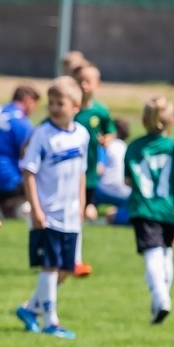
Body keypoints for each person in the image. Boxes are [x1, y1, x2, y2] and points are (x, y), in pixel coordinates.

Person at [15, 76, 89, 340]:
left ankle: (29, 308)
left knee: (66, 269)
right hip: (47, 214)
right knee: (49, 265)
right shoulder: (42, 134)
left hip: (71, 214)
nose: (56, 108)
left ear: (76, 106)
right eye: (52, 103)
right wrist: (36, 209)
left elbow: (82, 172)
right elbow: (29, 172)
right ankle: (51, 321)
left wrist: (82, 204)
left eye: (62, 103)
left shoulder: (82, 135)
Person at [123, 97, 174, 325]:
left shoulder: (134, 147)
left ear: (143, 120)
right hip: (171, 208)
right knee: (166, 251)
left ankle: (160, 297)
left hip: (145, 207)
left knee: (152, 253)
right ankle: (160, 301)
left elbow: (128, 181)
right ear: (171, 121)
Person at [72, 62, 113, 275]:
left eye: (88, 81)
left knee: (83, 213)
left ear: (97, 84)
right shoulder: (71, 108)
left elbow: (111, 132)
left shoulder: (101, 111)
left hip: (89, 173)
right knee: (77, 214)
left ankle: (73, 259)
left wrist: (108, 140)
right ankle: (74, 260)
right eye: (80, 81)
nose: (84, 85)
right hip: (70, 171)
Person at [0, 85, 39, 218]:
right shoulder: (21, 121)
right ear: (28, 100)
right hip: (9, 181)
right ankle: (14, 207)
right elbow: (30, 154)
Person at [94, 119, 132, 219]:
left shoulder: (104, 146)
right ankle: (116, 214)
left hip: (103, 190)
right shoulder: (126, 147)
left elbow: (99, 169)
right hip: (125, 192)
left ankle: (89, 208)